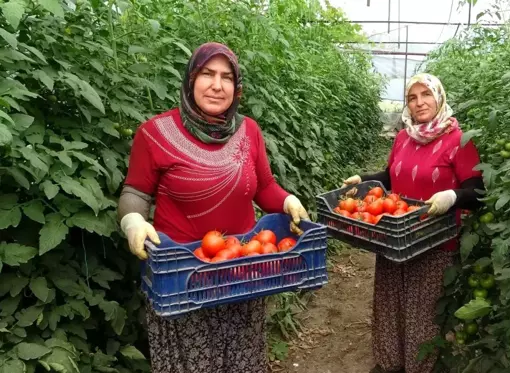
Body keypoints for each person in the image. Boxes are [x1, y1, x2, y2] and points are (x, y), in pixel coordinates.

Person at [117, 42, 309, 373]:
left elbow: (263, 187)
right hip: (183, 278)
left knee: (242, 359)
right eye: (207, 74)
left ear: (237, 88)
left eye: (226, 77)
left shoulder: (249, 131)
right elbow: (135, 190)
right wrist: (132, 219)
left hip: (243, 273)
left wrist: (287, 199)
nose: (217, 85)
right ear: (191, 79)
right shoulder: (155, 133)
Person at [343, 73, 484, 373]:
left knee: (423, 311)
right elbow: (391, 177)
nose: (419, 103)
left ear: (439, 97)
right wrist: (364, 179)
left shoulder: (459, 140)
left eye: (426, 95)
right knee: (390, 303)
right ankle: (389, 363)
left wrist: (452, 196)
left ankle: (420, 366)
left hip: (434, 241)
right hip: (395, 233)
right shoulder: (403, 138)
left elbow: (479, 191)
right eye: (412, 97)